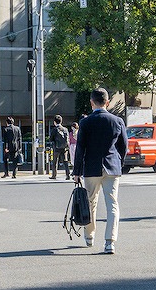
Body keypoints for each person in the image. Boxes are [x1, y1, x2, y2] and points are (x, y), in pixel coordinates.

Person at [73, 87, 127, 255]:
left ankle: (89, 236)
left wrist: (76, 171)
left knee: (90, 202)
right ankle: (110, 242)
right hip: (112, 167)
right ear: (107, 102)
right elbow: (123, 146)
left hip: (91, 167)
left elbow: (80, 148)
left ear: (91, 103)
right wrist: (119, 162)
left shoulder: (85, 122)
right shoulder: (117, 121)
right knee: (112, 204)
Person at [49, 115, 71, 180]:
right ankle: (68, 175)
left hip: (56, 147)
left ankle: (54, 175)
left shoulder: (54, 129)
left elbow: (51, 139)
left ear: (54, 122)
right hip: (64, 148)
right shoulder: (65, 129)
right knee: (65, 161)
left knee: (55, 162)